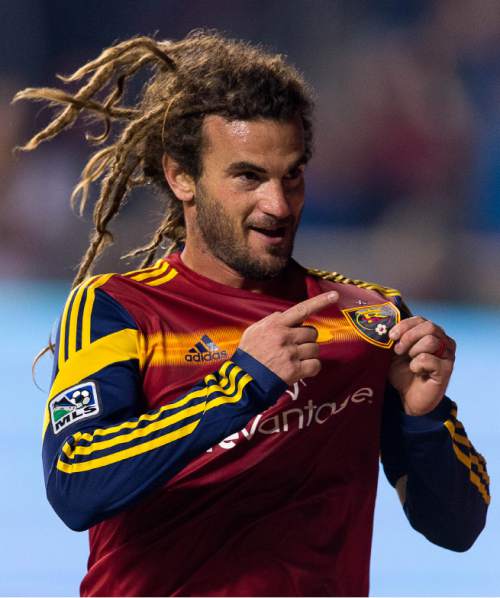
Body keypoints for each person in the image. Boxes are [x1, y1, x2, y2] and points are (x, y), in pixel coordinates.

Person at [16, 31, 489, 597]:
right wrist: (241, 384)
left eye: (292, 174)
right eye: (248, 177)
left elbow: (457, 529)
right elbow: (76, 482)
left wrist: (423, 419)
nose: (278, 204)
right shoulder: (118, 309)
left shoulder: (367, 316)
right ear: (181, 176)